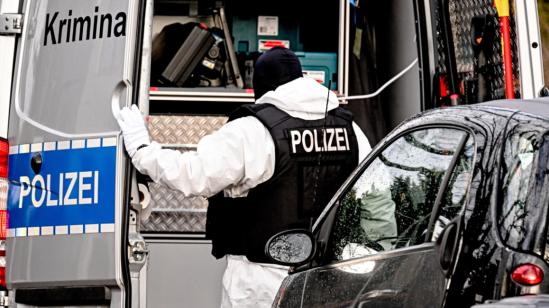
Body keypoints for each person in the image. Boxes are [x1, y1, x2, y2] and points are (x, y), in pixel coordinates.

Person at [116, 47, 371, 308]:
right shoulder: (350, 129)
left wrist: (142, 150)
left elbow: (194, 175)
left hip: (261, 283)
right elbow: (374, 199)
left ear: (260, 88)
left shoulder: (252, 131)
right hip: (329, 279)